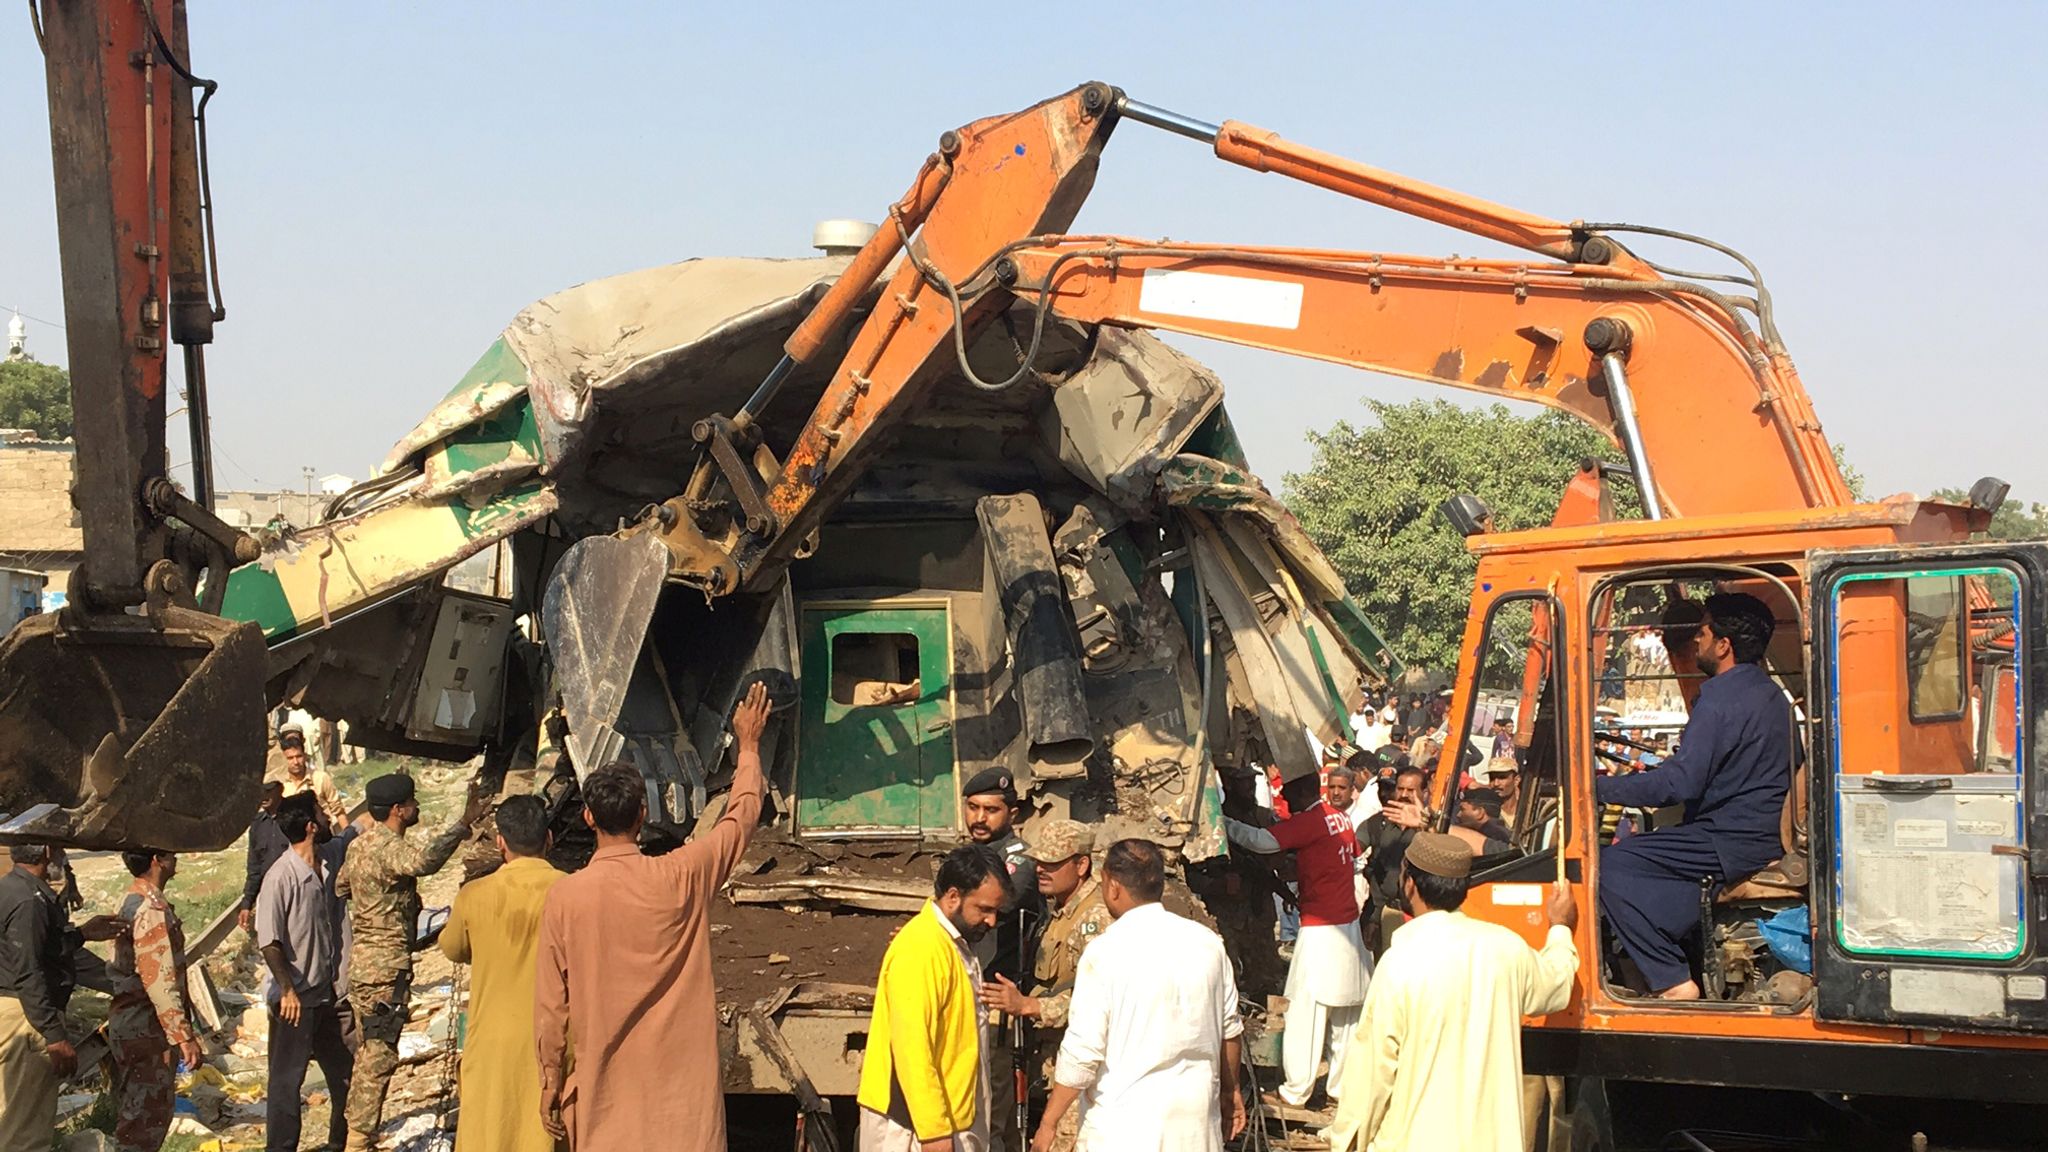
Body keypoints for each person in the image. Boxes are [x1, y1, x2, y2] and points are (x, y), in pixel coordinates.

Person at [535, 680, 771, 1151]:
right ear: (643, 814)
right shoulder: (682, 875)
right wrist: (748, 746)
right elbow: (740, 819)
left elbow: (550, 1008)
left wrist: (549, 1080)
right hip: (685, 1114)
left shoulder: (565, 899)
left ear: (588, 818)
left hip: (607, 1114)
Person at [1323, 834, 1578, 1152]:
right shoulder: (1506, 948)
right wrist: (1560, 926)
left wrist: (1346, 1142)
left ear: (1410, 884)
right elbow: (1557, 986)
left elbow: (1373, 1072)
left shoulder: (1401, 961)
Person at [1596, 592, 1793, 1000]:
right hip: (1758, 833)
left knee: (1612, 863)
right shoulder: (1774, 698)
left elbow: (1678, 785)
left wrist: (1596, 787)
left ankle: (1672, 981)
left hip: (1728, 839)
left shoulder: (1719, 698)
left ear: (1724, 645)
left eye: (1702, 633)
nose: (1696, 642)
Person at [1032, 839, 1246, 1152]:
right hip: (1195, 1124)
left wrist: (1048, 1122)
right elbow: (1230, 1032)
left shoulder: (1105, 952)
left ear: (1112, 886)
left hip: (1125, 1127)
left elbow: (1082, 1053)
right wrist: (1231, 1092)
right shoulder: (1208, 944)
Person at [336, 772, 488, 1150]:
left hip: (364, 965)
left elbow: (341, 885)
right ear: (398, 810)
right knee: (379, 1055)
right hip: (386, 967)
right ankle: (358, 1140)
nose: (417, 807)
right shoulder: (388, 848)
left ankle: (355, 1132)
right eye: (413, 803)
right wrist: (463, 824)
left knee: (368, 1051)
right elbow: (425, 862)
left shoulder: (358, 846)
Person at [1222, 773, 1369, 1111]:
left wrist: (1222, 822)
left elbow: (1261, 841)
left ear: (1303, 792)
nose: (1287, 804)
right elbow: (1340, 860)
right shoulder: (1340, 819)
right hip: (1348, 924)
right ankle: (1341, 1088)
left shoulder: (1312, 821)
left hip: (1321, 929)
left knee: (1306, 1011)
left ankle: (1295, 1091)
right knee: (1346, 1012)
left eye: (1289, 796)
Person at [857, 843, 1010, 1152]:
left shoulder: (954, 943)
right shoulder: (921, 949)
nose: (992, 921)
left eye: (995, 911)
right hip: (912, 1127)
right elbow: (913, 1048)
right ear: (953, 897)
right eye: (984, 909)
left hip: (948, 1118)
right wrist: (935, 1134)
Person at [978, 819, 1111, 1152]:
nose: (1041, 870)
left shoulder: (1094, 919)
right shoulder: (1062, 911)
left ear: (1082, 864)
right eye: (1039, 862)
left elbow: (1101, 1000)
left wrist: (1031, 1006)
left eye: (1053, 863)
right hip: (1054, 1055)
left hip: (1081, 1066)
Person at [440, 794, 561, 1152]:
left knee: (490, 1135)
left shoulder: (474, 895)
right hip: (553, 1045)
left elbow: (453, 948)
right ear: (549, 839)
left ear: (501, 843)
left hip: (491, 1045)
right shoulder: (571, 890)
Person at [0, 844, 120, 1152]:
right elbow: (28, 972)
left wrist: (81, 934)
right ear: (46, 851)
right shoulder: (29, 902)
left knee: (9, 1115)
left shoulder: (11, 889)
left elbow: (45, 951)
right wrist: (54, 1035)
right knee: (26, 1132)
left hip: (12, 1010)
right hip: (27, 1017)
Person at [256, 793, 357, 1152]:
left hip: (330, 994)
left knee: (346, 1075)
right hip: (295, 1001)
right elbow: (269, 942)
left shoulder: (328, 860)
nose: (328, 818)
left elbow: (356, 832)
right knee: (287, 1084)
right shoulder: (280, 878)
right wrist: (287, 989)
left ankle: (339, 1143)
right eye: (322, 814)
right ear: (312, 827)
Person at [961, 766, 1044, 1149]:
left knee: (992, 1110)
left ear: (1012, 813)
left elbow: (996, 902)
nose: (979, 818)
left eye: (990, 809)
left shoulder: (1019, 859)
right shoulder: (965, 857)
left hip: (998, 999)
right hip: (966, 991)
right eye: (973, 807)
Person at [106, 848, 203, 1152]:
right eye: (170, 854)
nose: (177, 858)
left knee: (136, 1115)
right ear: (156, 861)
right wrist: (183, 1036)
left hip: (132, 1022)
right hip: (147, 1028)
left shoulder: (128, 898)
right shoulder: (151, 908)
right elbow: (159, 979)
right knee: (144, 1122)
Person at [1360, 768, 1428, 957]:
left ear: (1425, 791)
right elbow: (1356, 848)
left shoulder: (1433, 827)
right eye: (1400, 789)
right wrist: (1374, 919)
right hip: (1389, 913)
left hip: (1422, 917)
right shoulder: (1376, 824)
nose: (1404, 795)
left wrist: (1425, 825)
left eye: (1411, 790)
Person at [271, 723, 349, 830]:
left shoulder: (321, 778)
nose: (296, 762)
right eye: (290, 758)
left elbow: (338, 810)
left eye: (299, 756)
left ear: (304, 755)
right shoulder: (280, 785)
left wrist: (349, 837)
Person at [239, 780, 289, 934]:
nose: (263, 796)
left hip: (296, 890)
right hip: (269, 892)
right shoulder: (257, 825)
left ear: (279, 790)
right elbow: (254, 866)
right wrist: (247, 903)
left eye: (268, 791)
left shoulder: (293, 816)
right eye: (259, 791)